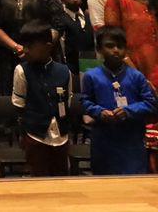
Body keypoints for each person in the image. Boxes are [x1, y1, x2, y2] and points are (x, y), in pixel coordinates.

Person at [81, 26, 157, 175]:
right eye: (110, 46)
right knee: (104, 184)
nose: (116, 50)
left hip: (132, 141)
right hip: (104, 139)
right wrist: (99, 112)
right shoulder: (91, 76)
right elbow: (85, 101)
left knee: (133, 183)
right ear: (99, 49)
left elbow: (150, 103)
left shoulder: (137, 76)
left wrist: (128, 111)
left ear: (126, 49)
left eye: (120, 46)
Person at [10, 20, 72, 176]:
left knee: (62, 179)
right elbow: (19, 104)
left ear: (48, 47)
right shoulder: (21, 70)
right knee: (37, 180)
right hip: (35, 136)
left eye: (30, 47)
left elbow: (67, 100)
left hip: (61, 136)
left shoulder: (64, 71)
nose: (25, 50)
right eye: (23, 45)